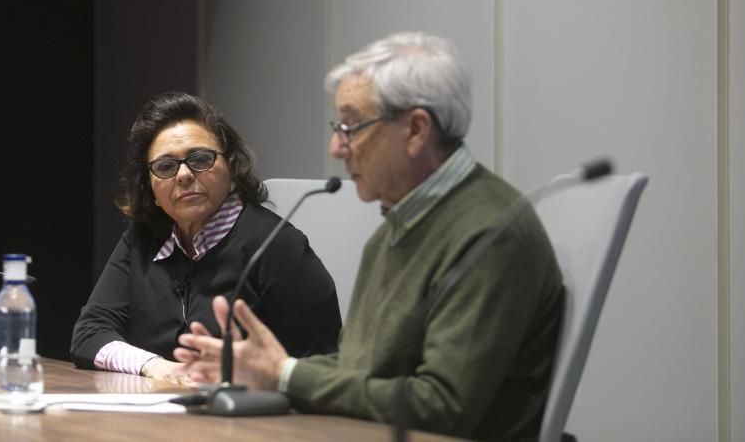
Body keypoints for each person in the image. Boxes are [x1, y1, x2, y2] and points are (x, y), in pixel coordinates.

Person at [174, 32, 564, 441]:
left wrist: (286, 375)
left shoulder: (489, 233)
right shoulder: (394, 230)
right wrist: (265, 369)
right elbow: (357, 371)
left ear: (415, 129)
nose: (337, 146)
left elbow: (442, 408)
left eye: (351, 125)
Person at [70, 91, 342, 383]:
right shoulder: (141, 241)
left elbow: (320, 367)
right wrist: (155, 366)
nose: (184, 175)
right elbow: (88, 334)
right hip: (158, 414)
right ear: (150, 189)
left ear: (232, 167)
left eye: (200, 159)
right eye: (165, 166)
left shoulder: (279, 246)